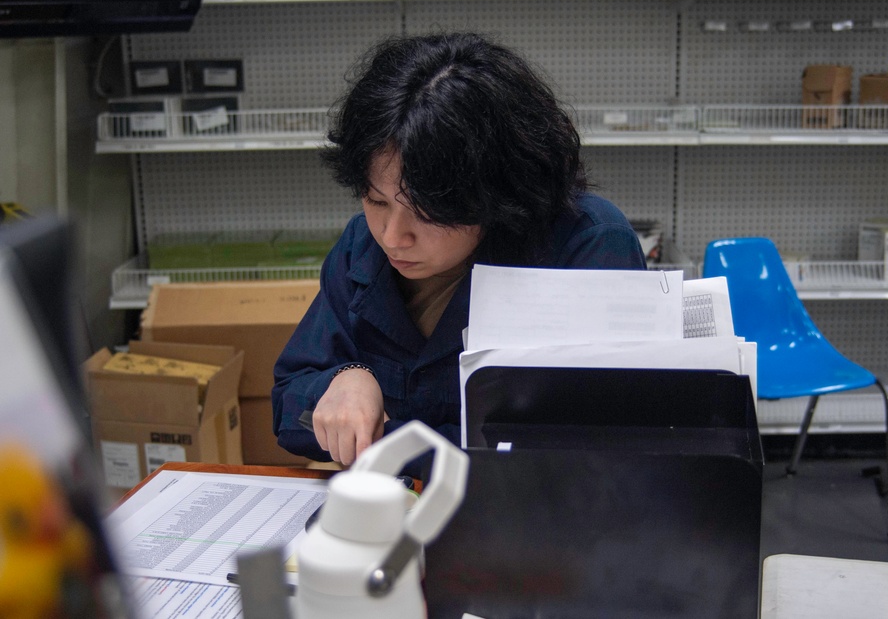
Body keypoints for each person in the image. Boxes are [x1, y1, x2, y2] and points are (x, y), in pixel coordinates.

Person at [272, 32, 647, 467]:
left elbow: (594, 441)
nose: (393, 236)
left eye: (427, 211)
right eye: (376, 201)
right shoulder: (362, 249)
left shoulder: (586, 247)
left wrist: (385, 440)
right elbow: (288, 398)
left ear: (496, 193)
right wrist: (342, 382)